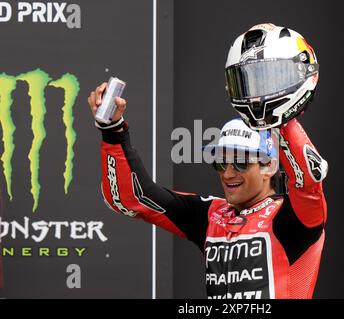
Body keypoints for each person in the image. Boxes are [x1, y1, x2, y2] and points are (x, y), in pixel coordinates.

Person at [88, 23, 328, 299]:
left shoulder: (294, 220)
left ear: (269, 166)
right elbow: (131, 198)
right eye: (220, 163)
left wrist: (284, 120)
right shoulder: (210, 215)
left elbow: (308, 185)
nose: (228, 173)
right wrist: (112, 130)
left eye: (240, 162)